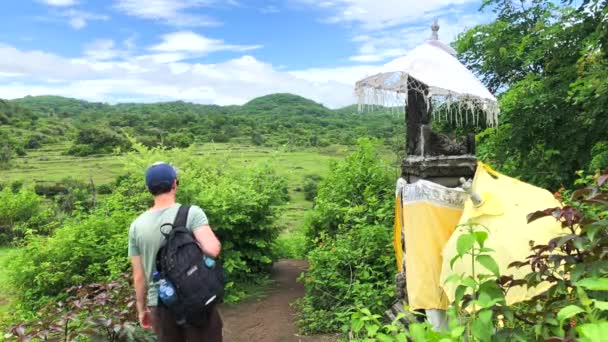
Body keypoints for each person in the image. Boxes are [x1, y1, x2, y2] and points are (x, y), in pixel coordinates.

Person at [128, 162, 223, 341]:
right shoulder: (192, 213)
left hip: (161, 303)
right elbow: (212, 249)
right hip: (197, 297)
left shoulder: (136, 226)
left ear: (149, 189)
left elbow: (139, 276)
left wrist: (142, 309)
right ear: (174, 184)